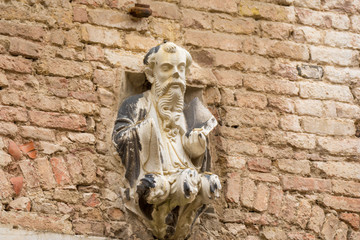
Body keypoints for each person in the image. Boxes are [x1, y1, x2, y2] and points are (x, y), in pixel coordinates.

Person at [112, 41, 220, 239]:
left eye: (180, 69)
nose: (176, 75)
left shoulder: (191, 113)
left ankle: (180, 217)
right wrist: (148, 129)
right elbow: (120, 138)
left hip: (186, 174)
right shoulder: (136, 104)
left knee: (206, 184)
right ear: (151, 75)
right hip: (156, 177)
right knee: (159, 187)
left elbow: (201, 157)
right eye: (167, 68)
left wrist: (197, 148)